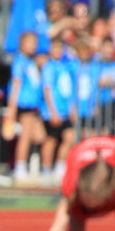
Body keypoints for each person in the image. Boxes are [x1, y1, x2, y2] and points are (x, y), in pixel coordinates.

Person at [7, 31, 46, 180]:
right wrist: (12, 109)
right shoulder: (19, 62)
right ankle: (20, 168)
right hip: (23, 105)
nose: (32, 46)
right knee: (25, 136)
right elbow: (16, 85)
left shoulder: (32, 62)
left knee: (39, 136)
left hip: (35, 106)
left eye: (34, 43)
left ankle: (29, 165)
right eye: (29, 43)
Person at [41, 36, 77, 176]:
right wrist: (52, 111)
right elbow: (47, 90)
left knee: (69, 137)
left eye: (60, 48)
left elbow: (69, 90)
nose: (58, 51)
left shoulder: (65, 66)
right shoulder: (49, 67)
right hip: (53, 111)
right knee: (51, 139)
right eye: (55, 47)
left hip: (65, 110)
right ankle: (46, 169)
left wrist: (72, 107)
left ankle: (60, 166)